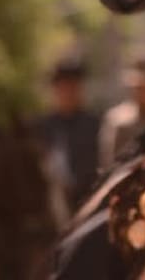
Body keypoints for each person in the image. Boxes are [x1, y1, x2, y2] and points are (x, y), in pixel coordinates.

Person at [36, 56, 101, 209]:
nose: (69, 93)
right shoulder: (42, 127)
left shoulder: (96, 124)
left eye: (74, 87)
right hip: (53, 206)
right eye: (64, 87)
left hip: (90, 201)